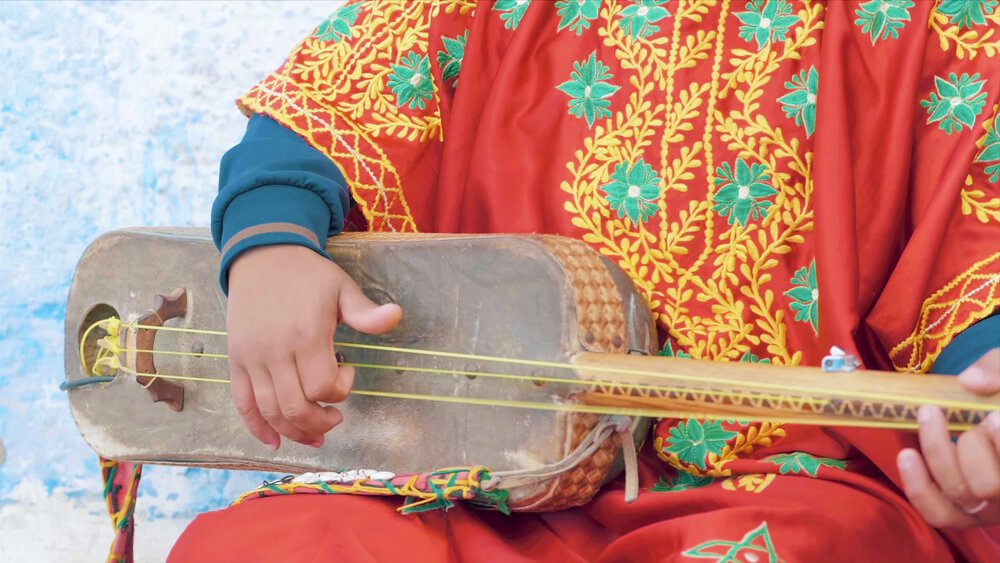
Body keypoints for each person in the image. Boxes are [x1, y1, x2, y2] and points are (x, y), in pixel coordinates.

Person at [171, 1, 1000, 560]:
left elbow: (975, 248)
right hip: (481, 488)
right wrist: (272, 247)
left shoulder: (925, 25)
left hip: (789, 486)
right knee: (271, 545)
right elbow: (328, 109)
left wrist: (984, 412)